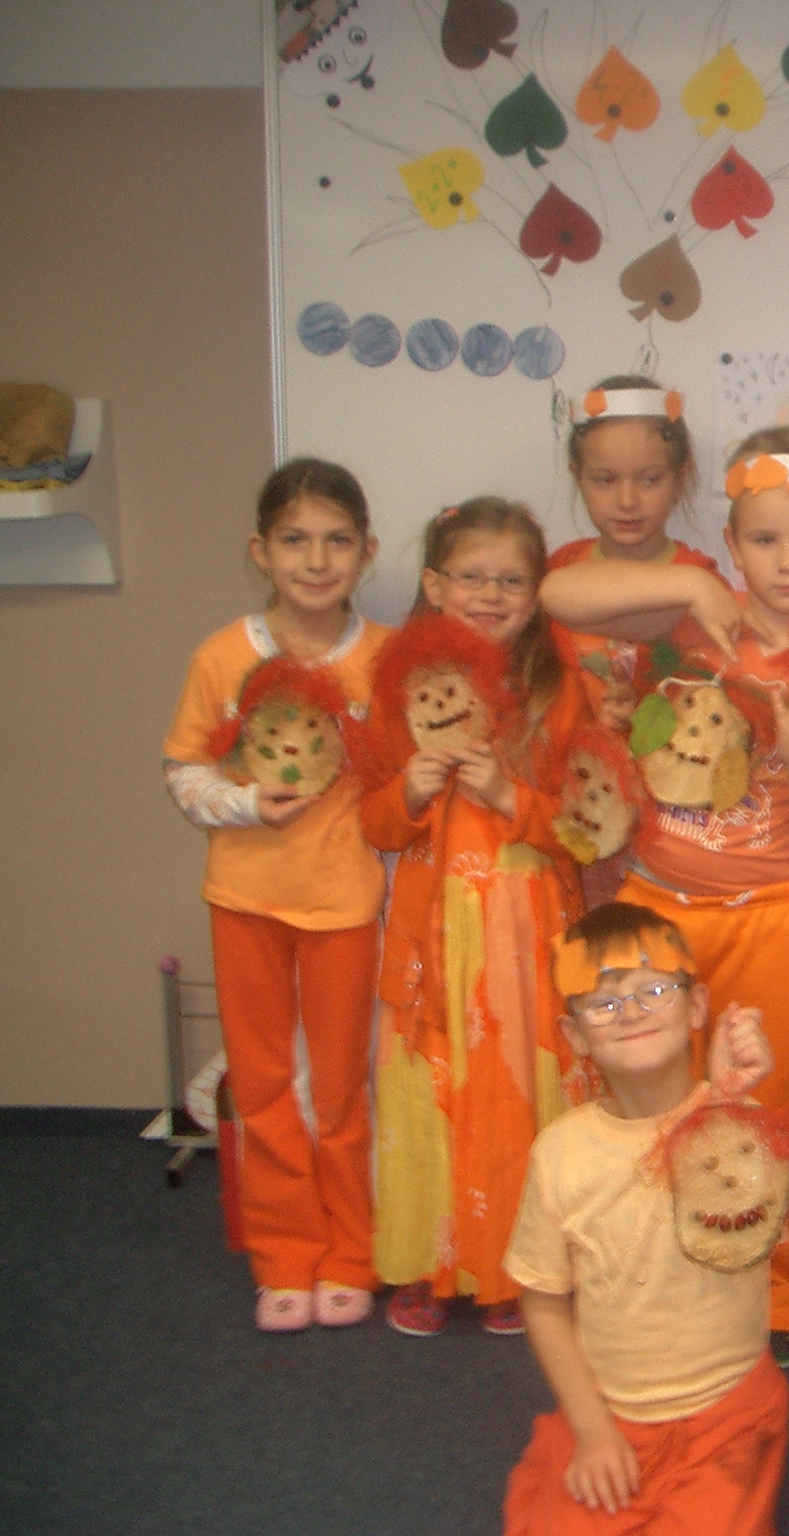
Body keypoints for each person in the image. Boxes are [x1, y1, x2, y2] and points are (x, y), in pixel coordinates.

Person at [539, 427, 789, 1367]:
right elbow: (557, 595)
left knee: (769, 1110)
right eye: (764, 539)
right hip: (659, 907)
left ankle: (781, 1287)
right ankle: (650, 1273)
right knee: (643, 1103)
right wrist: (688, 585)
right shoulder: (690, 621)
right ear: (731, 544)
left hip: (779, 916)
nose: (788, 560)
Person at [161, 458, 389, 1332]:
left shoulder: (383, 657)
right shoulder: (223, 655)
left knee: (341, 1086)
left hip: (346, 907)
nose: (316, 560)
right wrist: (247, 804)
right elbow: (184, 772)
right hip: (246, 901)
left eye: (337, 540)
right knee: (263, 1083)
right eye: (295, 539)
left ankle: (351, 1251)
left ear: (367, 552)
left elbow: (400, 786)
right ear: (260, 551)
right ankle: (284, 1253)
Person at [363, 498, 596, 1338]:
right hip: (432, 930)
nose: (490, 595)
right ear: (433, 585)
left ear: (537, 594)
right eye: (471, 577)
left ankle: (512, 1267)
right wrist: (408, 793)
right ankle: (428, 1260)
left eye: (511, 581)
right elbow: (373, 823)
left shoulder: (555, 688)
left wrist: (512, 797)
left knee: (518, 1092)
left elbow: (587, 827)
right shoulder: (400, 684)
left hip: (525, 925)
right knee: (430, 1090)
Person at [503, 902, 789, 1536]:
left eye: (654, 991)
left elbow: (754, 1224)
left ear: (697, 1006)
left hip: (727, 1412)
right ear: (575, 1035)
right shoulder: (560, 1154)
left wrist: (729, 1097)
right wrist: (592, 1431)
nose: (630, 1012)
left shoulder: (734, 1123)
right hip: (613, 1412)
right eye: (603, 1004)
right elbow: (543, 1301)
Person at [548, 377, 720, 904]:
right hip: (574, 817)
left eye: (649, 479)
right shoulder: (561, 570)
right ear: (577, 475)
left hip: (668, 836)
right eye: (604, 480)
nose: (627, 501)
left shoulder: (701, 580)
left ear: (681, 476)